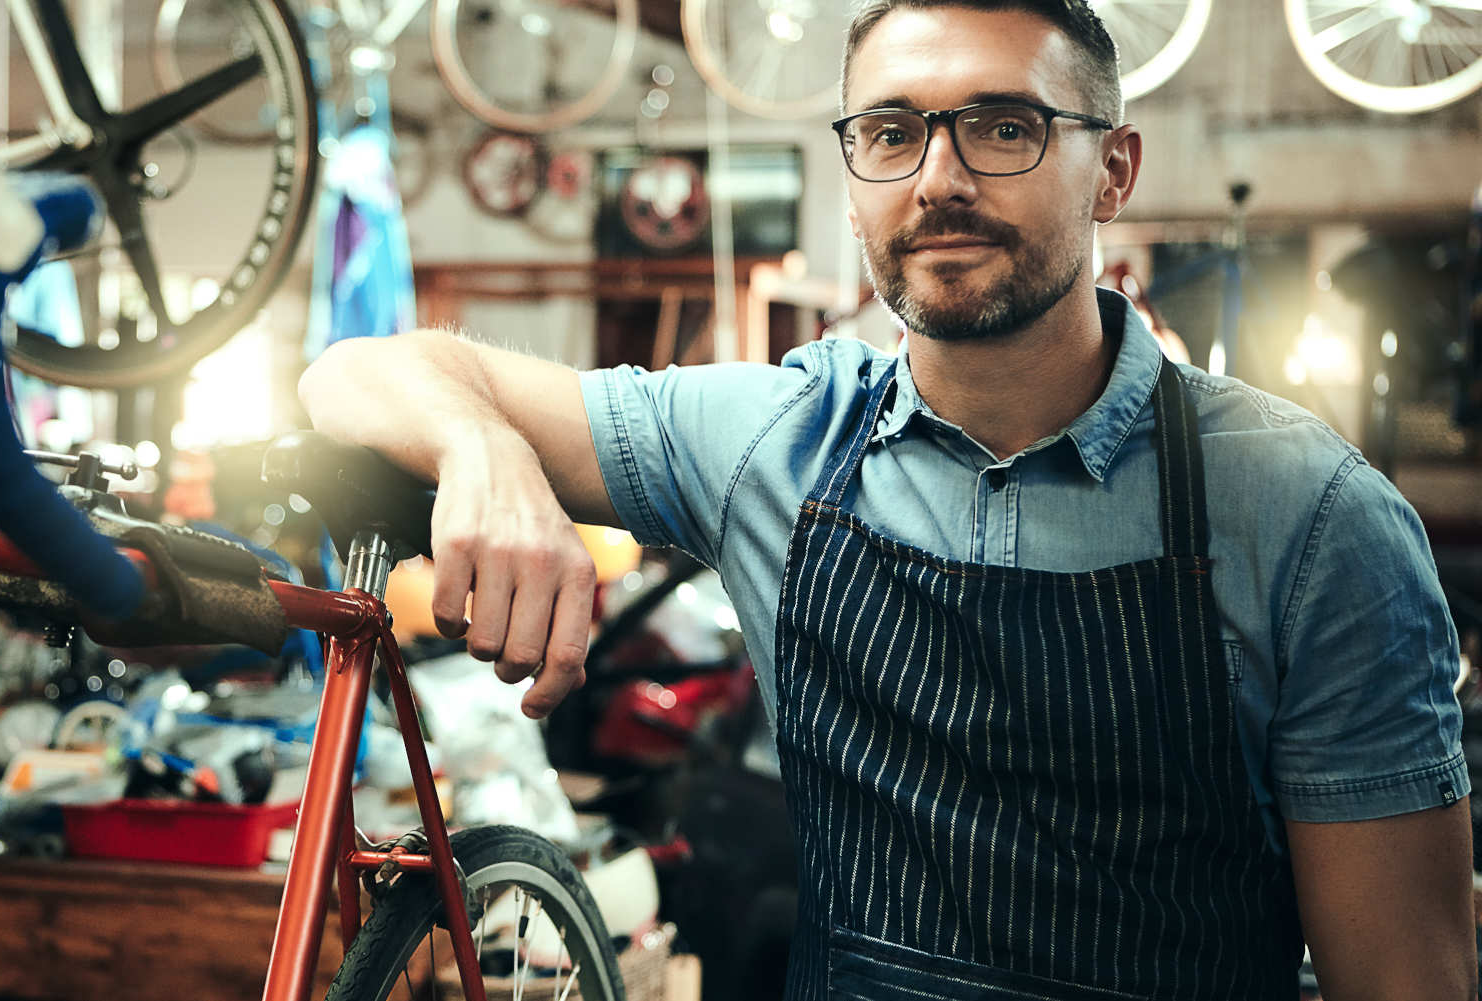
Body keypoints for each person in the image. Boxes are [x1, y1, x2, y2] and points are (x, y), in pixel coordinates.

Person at [297, 0, 1477, 996]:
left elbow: (1402, 979)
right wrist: (485, 453)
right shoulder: (774, 438)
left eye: (1002, 127)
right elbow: (350, 373)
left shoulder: (1311, 518)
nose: (938, 180)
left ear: (1112, 170)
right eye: (889, 131)